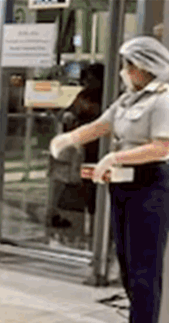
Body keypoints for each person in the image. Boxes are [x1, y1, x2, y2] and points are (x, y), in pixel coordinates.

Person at [51, 36, 169, 323]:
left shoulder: (166, 99)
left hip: (153, 186)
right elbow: (102, 125)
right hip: (124, 185)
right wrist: (69, 139)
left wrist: (115, 158)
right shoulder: (129, 98)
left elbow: (161, 147)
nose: (124, 70)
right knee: (126, 259)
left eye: (129, 65)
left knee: (145, 263)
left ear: (146, 66)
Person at [52, 63, 106, 228]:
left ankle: (96, 220)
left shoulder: (107, 95)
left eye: (92, 78)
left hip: (99, 148)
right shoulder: (84, 94)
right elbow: (68, 111)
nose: (88, 82)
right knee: (79, 184)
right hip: (81, 148)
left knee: (94, 185)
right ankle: (76, 219)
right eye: (87, 78)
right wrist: (67, 115)